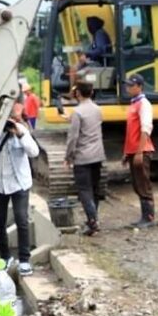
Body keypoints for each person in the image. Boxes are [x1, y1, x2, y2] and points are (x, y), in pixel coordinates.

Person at [0, 115, 39, 276]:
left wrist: (19, 133)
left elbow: (34, 152)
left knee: (21, 219)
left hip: (19, 183)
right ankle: (5, 257)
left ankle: (24, 260)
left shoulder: (19, 128)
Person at [64, 81, 106, 236]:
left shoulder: (77, 112)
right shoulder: (97, 109)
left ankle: (93, 221)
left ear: (78, 93)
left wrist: (68, 157)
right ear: (92, 92)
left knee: (84, 190)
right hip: (97, 155)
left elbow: (73, 137)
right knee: (94, 189)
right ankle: (93, 220)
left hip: (82, 157)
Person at [122, 73, 156, 228]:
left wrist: (139, 152)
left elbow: (145, 129)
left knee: (143, 183)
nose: (128, 88)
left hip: (141, 150)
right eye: (128, 85)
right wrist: (127, 152)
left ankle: (148, 216)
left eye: (131, 85)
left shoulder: (144, 104)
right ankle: (145, 215)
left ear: (139, 86)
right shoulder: (133, 104)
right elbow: (130, 131)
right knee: (137, 184)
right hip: (133, 150)